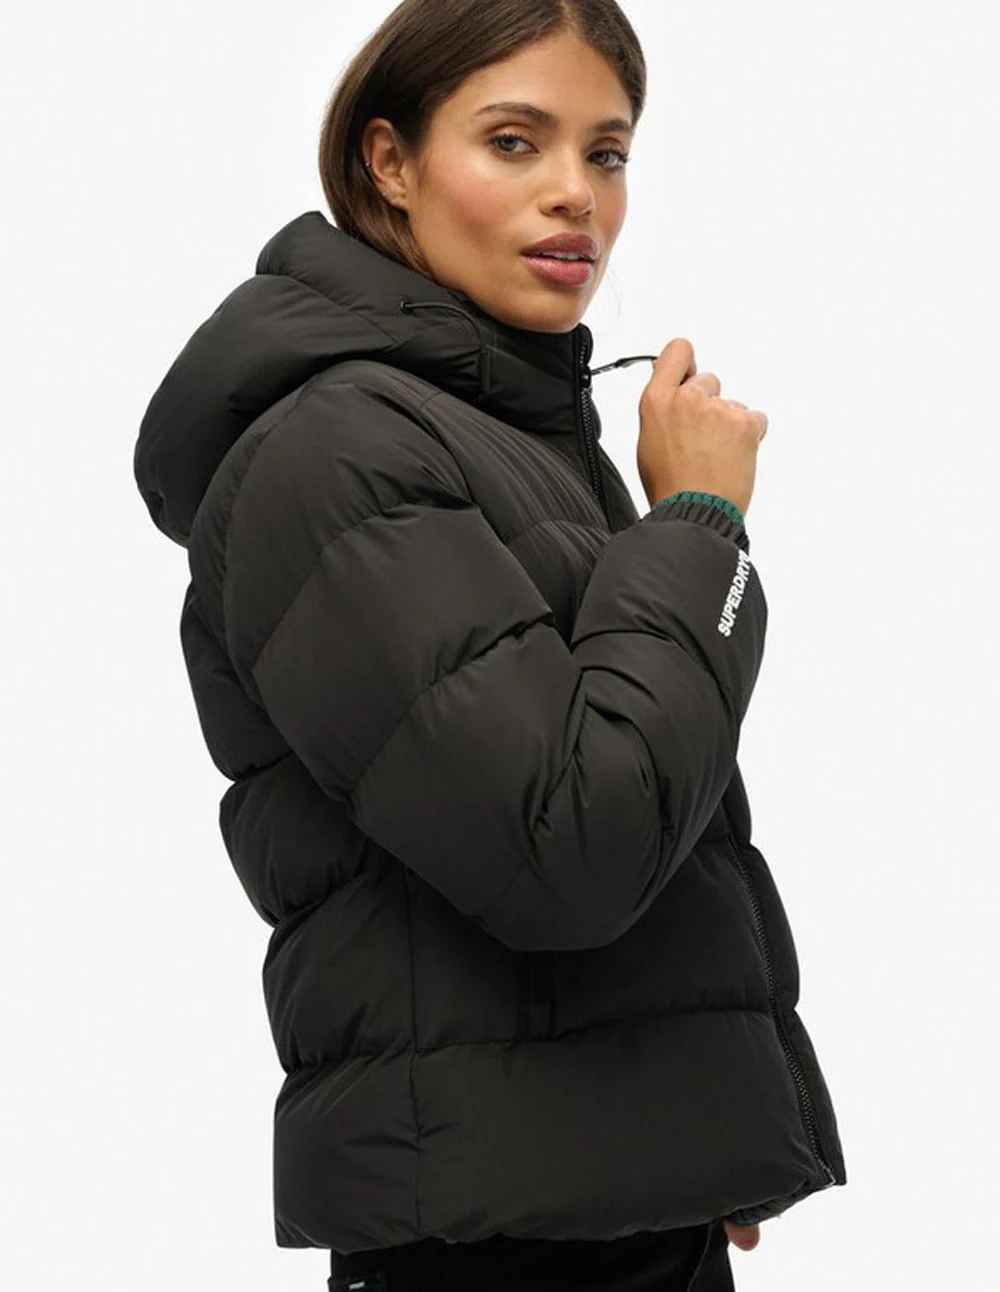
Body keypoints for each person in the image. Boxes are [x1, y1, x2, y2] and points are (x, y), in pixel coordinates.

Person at [133, 1, 847, 1287]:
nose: (576, 194)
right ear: (388, 162)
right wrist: (698, 521)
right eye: (515, 142)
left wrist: (698, 1122)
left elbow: (633, 794)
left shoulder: (506, 433)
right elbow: (572, 838)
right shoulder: (336, 451)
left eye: (606, 152)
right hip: (487, 1252)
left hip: (602, 1217)